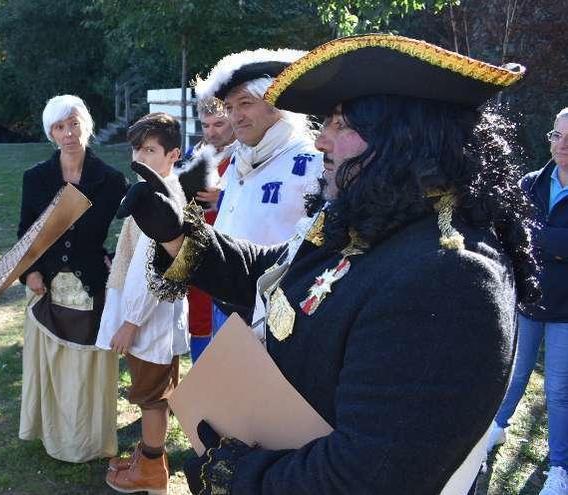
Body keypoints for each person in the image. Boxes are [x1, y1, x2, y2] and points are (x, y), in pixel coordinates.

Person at [118, 34, 537, 494]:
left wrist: (235, 474)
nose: (321, 142)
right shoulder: (376, 219)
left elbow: (364, 478)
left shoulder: (452, 276)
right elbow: (273, 275)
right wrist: (178, 232)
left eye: (342, 124)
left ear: (407, 136)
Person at [17, 94, 128, 462]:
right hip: (47, 287)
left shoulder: (110, 180)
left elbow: (132, 229)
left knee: (88, 371)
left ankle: (91, 440)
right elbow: (25, 233)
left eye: (74, 123)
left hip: (92, 287)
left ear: (87, 126)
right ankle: (55, 436)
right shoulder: (36, 178)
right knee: (55, 369)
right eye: (60, 127)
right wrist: (29, 272)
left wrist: (114, 259)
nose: (68, 133)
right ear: (51, 133)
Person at [193, 48, 323, 336]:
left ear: (274, 102)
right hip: (224, 307)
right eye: (229, 107)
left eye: (245, 103)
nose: (235, 116)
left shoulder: (314, 162)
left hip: (278, 320)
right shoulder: (239, 156)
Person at [97, 112, 188, 495]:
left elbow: (156, 273)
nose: (140, 156)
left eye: (150, 149)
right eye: (136, 148)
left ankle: (151, 469)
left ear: (174, 154)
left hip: (149, 317)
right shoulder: (148, 190)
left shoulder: (164, 199)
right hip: (141, 314)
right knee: (148, 390)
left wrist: (131, 320)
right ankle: (150, 456)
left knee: (151, 397)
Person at [488, 107, 568, 495]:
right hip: (528, 302)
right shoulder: (529, 183)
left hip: (567, 313)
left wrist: (539, 239)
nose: (563, 145)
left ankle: (559, 468)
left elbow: (529, 236)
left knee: (558, 391)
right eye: (557, 135)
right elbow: (509, 234)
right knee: (514, 375)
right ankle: (497, 429)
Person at [181, 97, 236, 361]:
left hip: (231, 252)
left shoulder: (246, 153)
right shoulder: (196, 153)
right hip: (198, 247)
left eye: (219, 124)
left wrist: (221, 199)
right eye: (206, 125)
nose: (212, 132)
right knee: (199, 316)